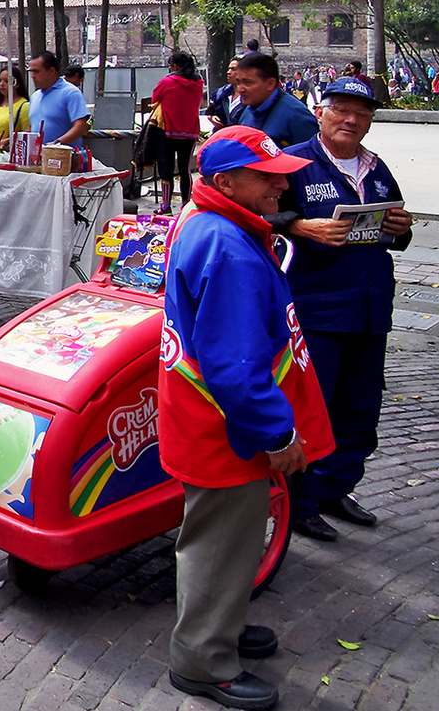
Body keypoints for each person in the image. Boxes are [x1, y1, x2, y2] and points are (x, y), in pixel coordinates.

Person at [159, 125, 332, 711]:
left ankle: (217, 629)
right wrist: (277, 432)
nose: (283, 186)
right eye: (268, 176)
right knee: (219, 544)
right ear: (227, 180)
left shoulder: (205, 218)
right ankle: (203, 662)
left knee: (220, 541)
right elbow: (236, 367)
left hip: (207, 419)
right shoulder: (228, 246)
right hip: (224, 428)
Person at [275, 76, 412, 543]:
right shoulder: (293, 163)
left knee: (359, 410)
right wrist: (300, 226)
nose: (352, 120)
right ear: (320, 112)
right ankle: (301, 502)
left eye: (363, 113)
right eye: (341, 110)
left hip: (371, 307)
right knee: (314, 408)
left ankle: (335, 488)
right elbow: (258, 216)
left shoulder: (376, 168)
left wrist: (402, 225)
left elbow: (398, 236)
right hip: (317, 309)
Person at [152, 51, 205, 214]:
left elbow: (154, 99)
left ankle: (166, 206)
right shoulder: (198, 83)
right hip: (190, 132)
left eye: (170, 64)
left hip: (169, 131)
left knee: (166, 168)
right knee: (185, 169)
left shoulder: (167, 82)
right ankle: (185, 205)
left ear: (175, 66)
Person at [230, 52, 318, 148]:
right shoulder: (246, 110)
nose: (240, 89)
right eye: (238, 82)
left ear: (270, 84)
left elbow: (312, 158)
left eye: (248, 83)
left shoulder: (296, 116)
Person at [27, 51, 90, 151]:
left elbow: (81, 126)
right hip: (38, 160)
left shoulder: (71, 93)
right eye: (31, 72)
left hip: (65, 160)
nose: (32, 76)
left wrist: (57, 144)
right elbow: (32, 128)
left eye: (36, 71)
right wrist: (11, 140)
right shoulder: (35, 96)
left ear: (51, 71)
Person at [0, 65, 30, 155]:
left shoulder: (24, 106)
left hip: (6, 155)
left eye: (7, 81)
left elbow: (27, 133)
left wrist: (9, 140)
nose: (2, 84)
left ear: (17, 83)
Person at [206, 58, 242, 130]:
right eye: (229, 69)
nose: (228, 72)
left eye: (233, 69)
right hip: (222, 136)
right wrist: (213, 118)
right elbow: (211, 112)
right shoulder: (221, 93)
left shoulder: (252, 96)